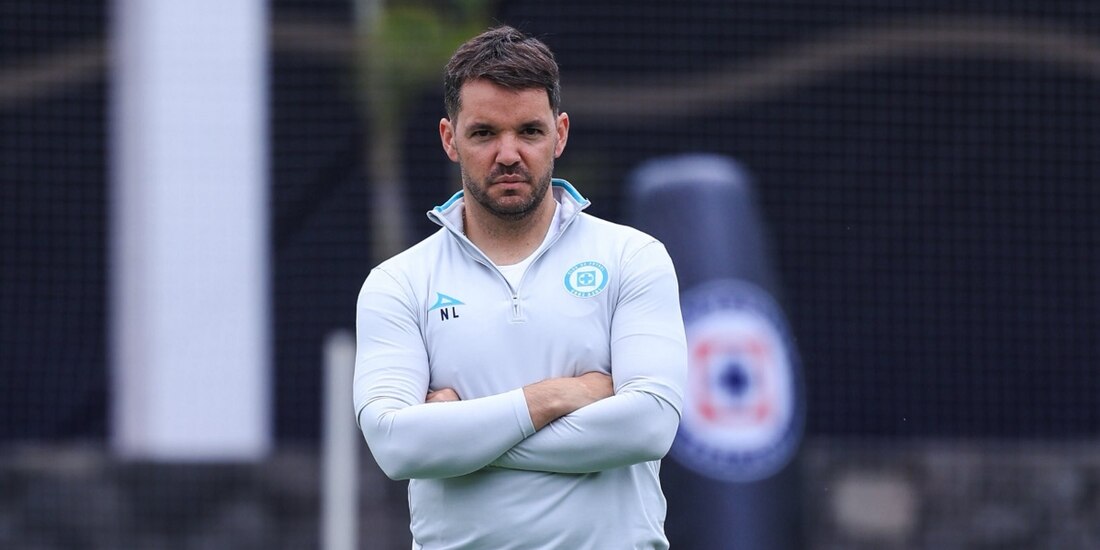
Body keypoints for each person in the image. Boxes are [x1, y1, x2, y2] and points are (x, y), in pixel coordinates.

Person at [354, 25, 687, 550]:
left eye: (529, 131)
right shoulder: (398, 282)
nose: (508, 153)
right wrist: (553, 397)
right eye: (484, 133)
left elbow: (648, 428)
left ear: (560, 133)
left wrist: (456, 439)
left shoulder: (632, 257)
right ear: (449, 139)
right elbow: (396, 448)